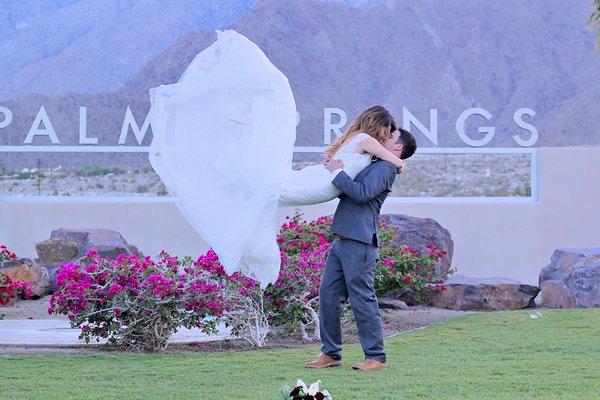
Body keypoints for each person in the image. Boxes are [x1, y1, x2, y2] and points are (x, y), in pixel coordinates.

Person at [147, 29, 412, 288]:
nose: (387, 137)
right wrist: (400, 163)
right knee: (266, 187)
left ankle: (235, 154)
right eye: (387, 132)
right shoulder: (365, 141)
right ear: (377, 126)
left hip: (322, 180)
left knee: (264, 188)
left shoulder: (359, 141)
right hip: (322, 182)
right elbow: (395, 161)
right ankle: (234, 150)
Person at [305, 128, 416, 372]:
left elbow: (361, 194)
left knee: (362, 299)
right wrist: (335, 170)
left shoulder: (386, 168)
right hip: (343, 238)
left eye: (390, 137)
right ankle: (330, 353)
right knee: (328, 296)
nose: (383, 138)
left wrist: (338, 172)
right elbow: (348, 189)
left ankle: (376, 357)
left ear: (398, 148)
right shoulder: (373, 163)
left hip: (360, 240)